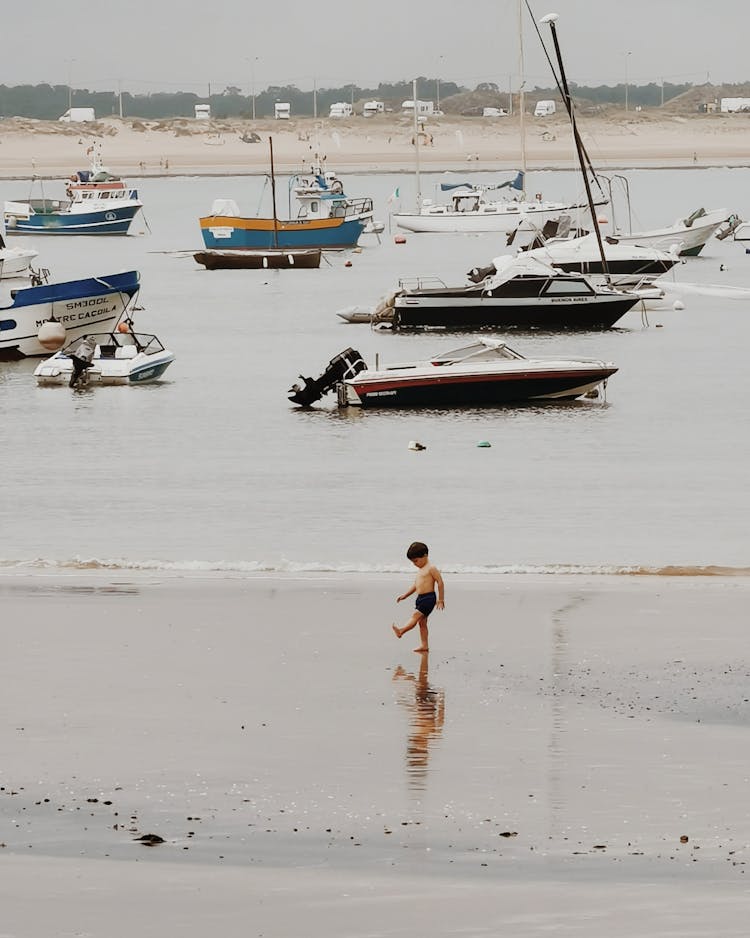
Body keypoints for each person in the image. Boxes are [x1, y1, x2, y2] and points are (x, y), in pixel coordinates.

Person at [392, 541, 445, 653]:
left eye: (416, 561)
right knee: (422, 623)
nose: (414, 564)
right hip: (420, 598)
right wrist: (405, 595)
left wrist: (441, 599)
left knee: (415, 616)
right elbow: (416, 585)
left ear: (425, 556)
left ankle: (401, 631)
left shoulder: (431, 568)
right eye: (412, 562)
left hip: (428, 598)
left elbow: (440, 582)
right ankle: (424, 645)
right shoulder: (421, 570)